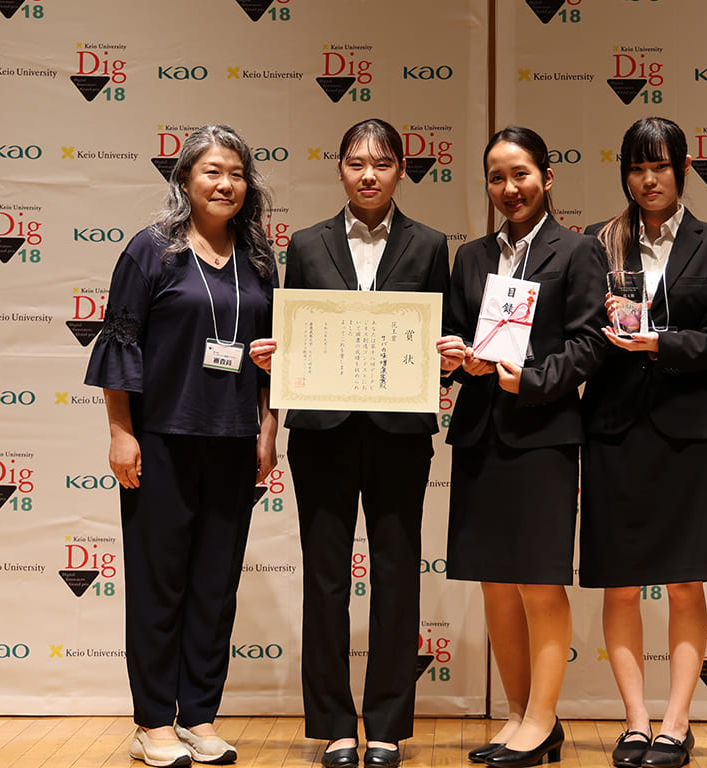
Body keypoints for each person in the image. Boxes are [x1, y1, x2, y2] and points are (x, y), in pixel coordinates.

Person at [248, 118, 453, 768]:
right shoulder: (306, 245)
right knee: (326, 578)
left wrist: (447, 356)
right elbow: (296, 333)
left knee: (397, 576)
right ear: (339, 167)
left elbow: (440, 338)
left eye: (382, 162)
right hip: (322, 434)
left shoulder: (429, 245)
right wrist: (276, 369)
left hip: (399, 434)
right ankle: (335, 724)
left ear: (400, 170)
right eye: (357, 162)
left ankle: (388, 724)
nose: (369, 174)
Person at [85, 124, 279, 767]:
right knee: (157, 583)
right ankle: (152, 723)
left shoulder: (258, 259)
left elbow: (275, 358)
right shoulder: (152, 251)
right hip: (161, 439)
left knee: (214, 585)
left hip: (231, 442)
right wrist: (121, 431)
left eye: (237, 173)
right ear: (185, 180)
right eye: (211, 172)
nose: (225, 184)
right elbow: (119, 343)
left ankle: (198, 715)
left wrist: (267, 430)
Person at [438, 126, 605, 768]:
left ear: (547, 178)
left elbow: (590, 345)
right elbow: (456, 339)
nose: (510, 188)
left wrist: (528, 379)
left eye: (521, 174)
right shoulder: (472, 256)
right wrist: (454, 358)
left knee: (538, 583)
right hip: (480, 431)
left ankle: (543, 719)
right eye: (497, 178)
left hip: (543, 434)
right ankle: (516, 716)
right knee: (495, 585)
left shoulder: (576, 251)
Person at [580, 117, 707, 768]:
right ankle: (636, 722)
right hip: (613, 427)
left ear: (682, 171)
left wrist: (661, 344)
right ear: (625, 173)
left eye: (662, 166)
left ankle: (677, 721)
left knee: (684, 585)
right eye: (638, 167)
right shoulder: (597, 244)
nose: (649, 179)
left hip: (684, 427)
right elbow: (582, 333)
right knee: (619, 585)